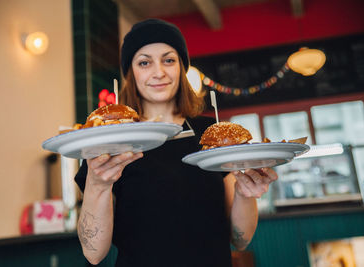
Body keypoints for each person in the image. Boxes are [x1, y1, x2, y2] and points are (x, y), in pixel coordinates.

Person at [74, 18, 278, 267]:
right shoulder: (111, 141)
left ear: (181, 68)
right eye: (144, 62)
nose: (158, 72)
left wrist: (245, 195)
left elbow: (241, 240)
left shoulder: (211, 136)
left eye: (168, 60)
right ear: (131, 73)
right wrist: (97, 186)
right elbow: (93, 253)